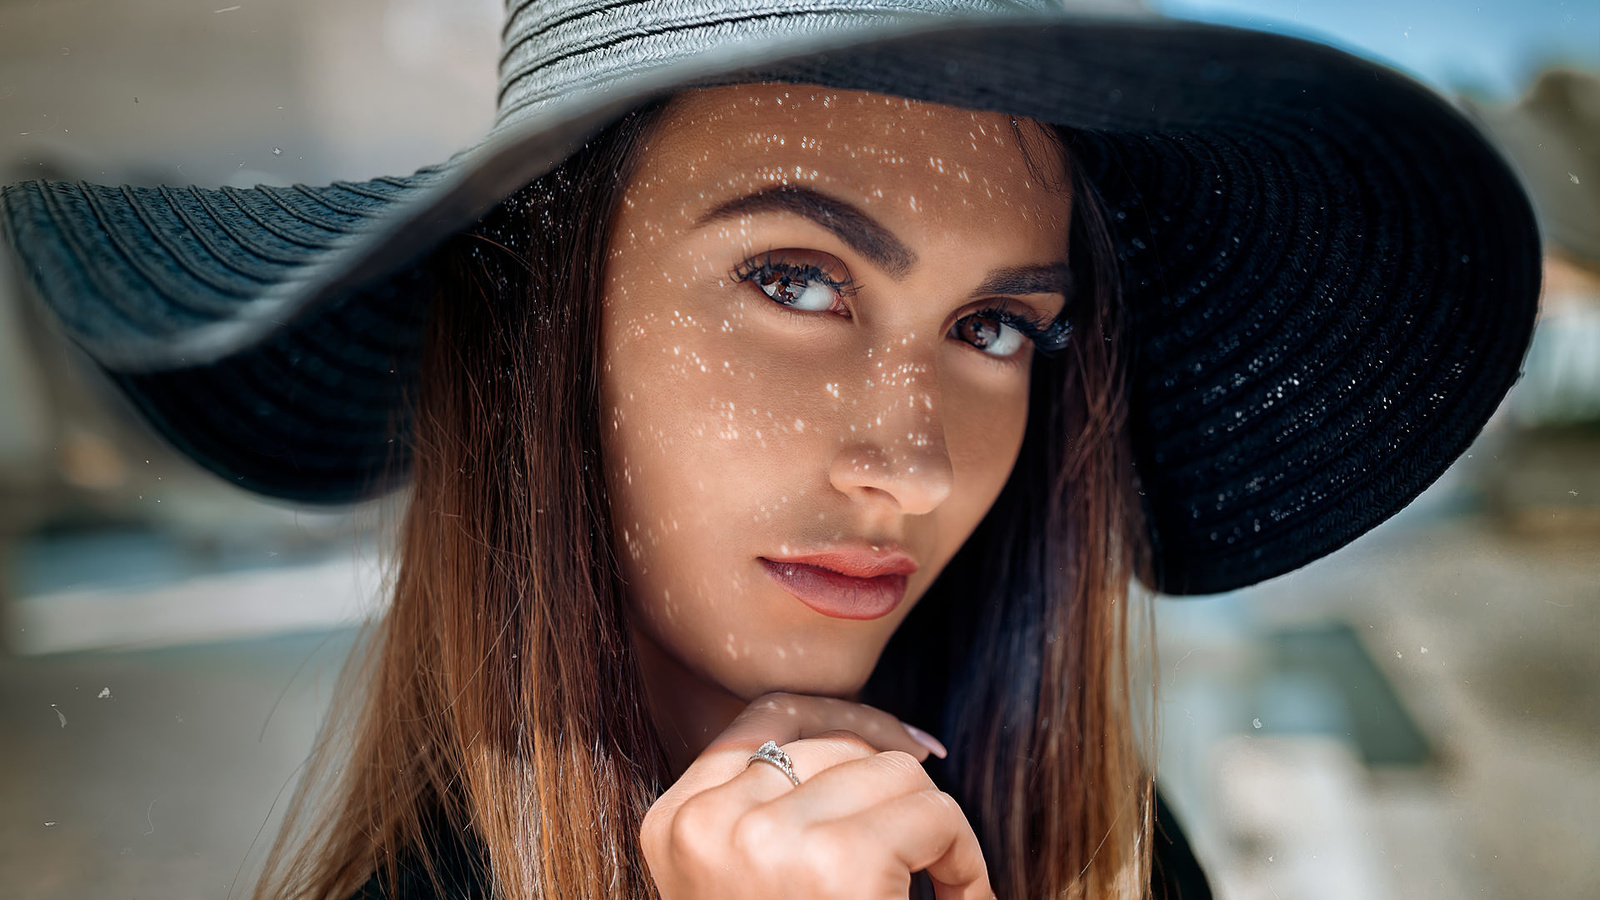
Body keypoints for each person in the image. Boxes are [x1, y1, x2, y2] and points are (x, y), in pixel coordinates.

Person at [0, 2, 1540, 898]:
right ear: (543, 326)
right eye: (795, 281)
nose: (916, 466)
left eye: (999, 329)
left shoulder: (1106, 844)